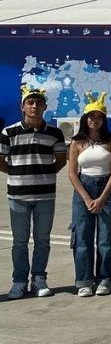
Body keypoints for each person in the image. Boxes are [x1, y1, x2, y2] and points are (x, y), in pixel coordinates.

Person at [1, 85, 67, 299]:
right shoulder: (8, 132)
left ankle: (39, 279)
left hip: (45, 196)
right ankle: (19, 281)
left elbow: (61, 160)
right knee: (19, 242)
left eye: (39, 103)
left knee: (42, 240)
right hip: (17, 196)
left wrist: (42, 173)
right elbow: (0, 160)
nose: (35, 106)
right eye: (30, 102)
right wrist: (19, 174)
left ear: (45, 107)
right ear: (23, 107)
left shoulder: (55, 133)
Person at [67, 93, 111, 297]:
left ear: (104, 119)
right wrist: (87, 198)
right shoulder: (77, 142)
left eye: (98, 116)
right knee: (82, 238)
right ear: (85, 119)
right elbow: (72, 173)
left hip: (107, 189)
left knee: (106, 239)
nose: (94, 120)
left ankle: (105, 279)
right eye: (91, 116)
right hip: (83, 189)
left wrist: (102, 198)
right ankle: (84, 280)